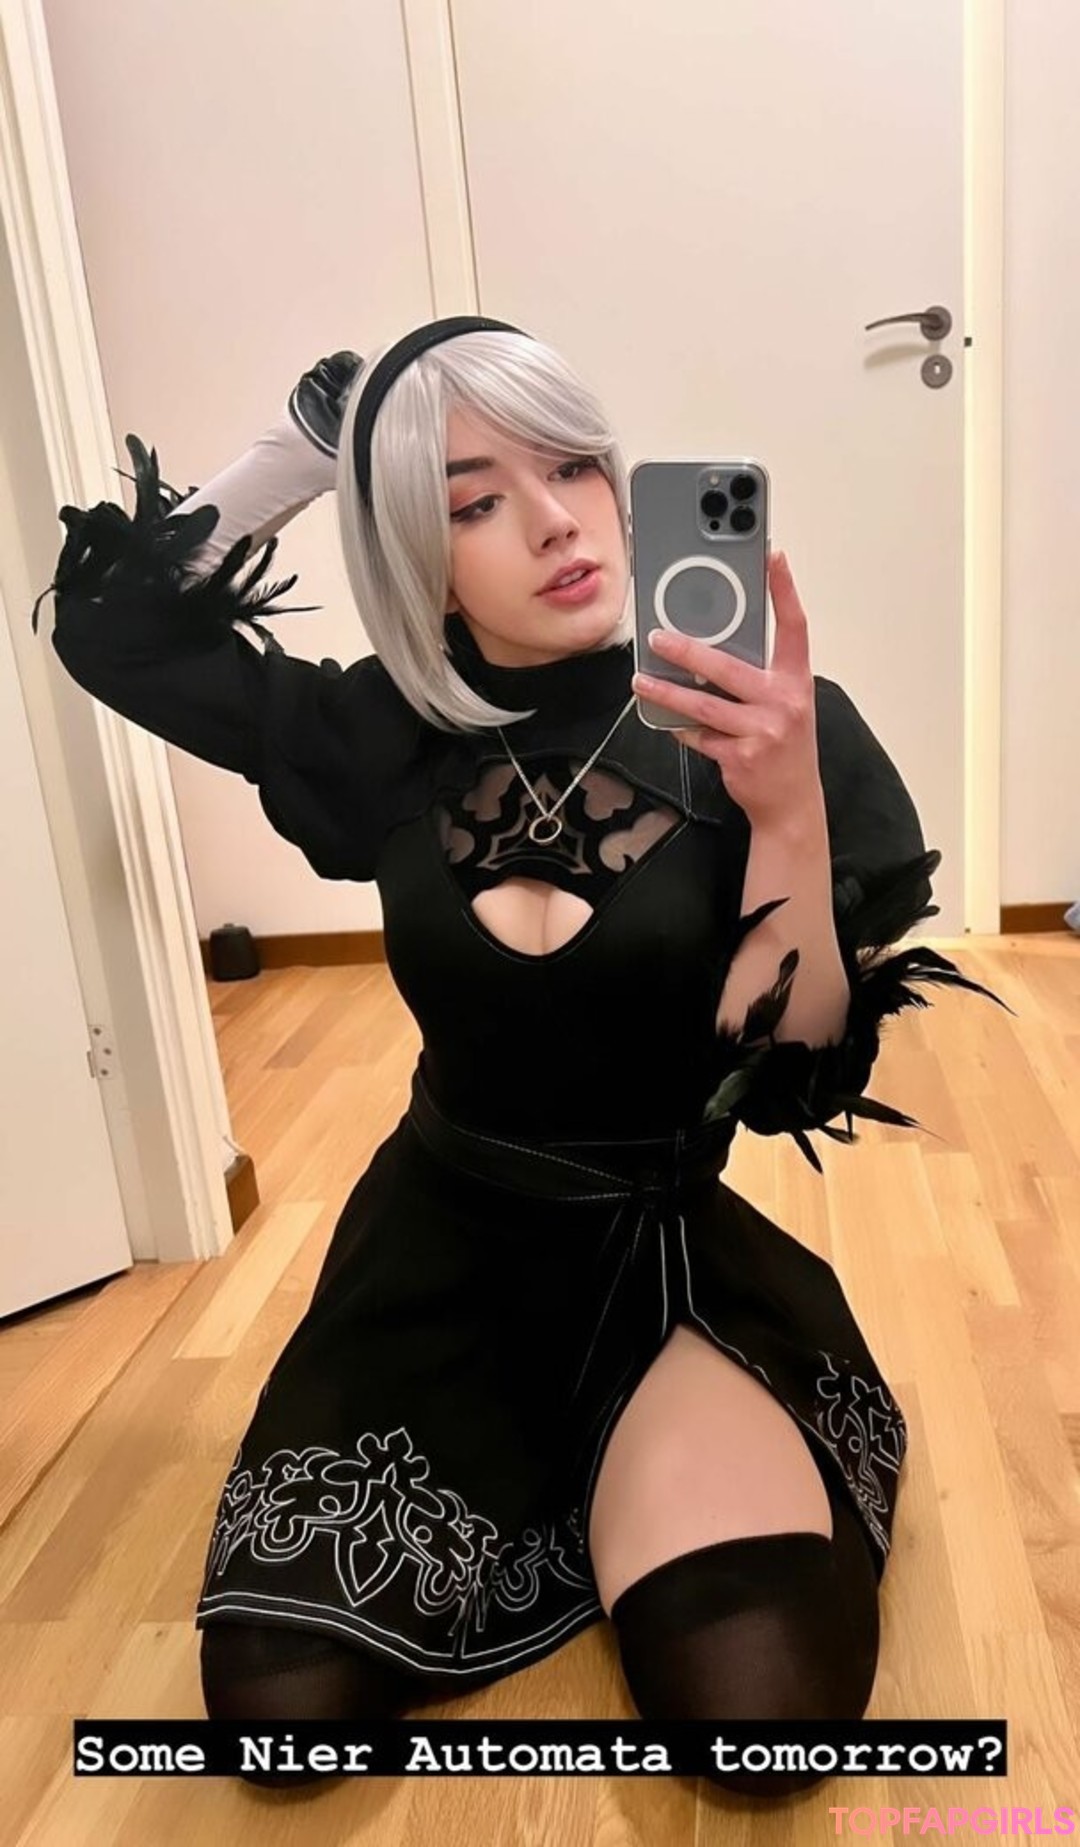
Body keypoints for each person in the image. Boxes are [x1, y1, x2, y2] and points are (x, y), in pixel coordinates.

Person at [31, 315, 1008, 1798]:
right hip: (435, 1270)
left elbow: (796, 1080)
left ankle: (650, 1481)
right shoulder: (379, 734)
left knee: (756, 1718)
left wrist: (788, 813)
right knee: (280, 1723)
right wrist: (308, 449)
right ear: (420, 561)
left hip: (661, 1271)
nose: (556, 521)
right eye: (475, 500)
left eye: (575, 469)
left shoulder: (765, 725)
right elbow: (114, 631)